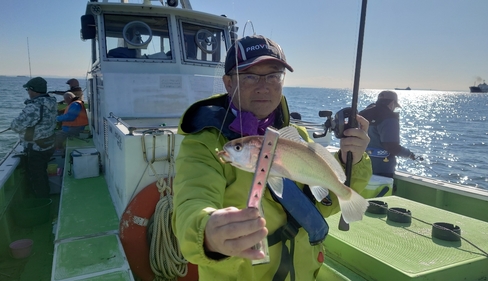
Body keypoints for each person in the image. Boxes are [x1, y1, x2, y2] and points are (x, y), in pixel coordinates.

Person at [172, 35, 372, 280]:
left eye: (273, 76)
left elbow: (322, 205)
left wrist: (353, 159)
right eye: (249, 76)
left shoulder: (295, 136)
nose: (263, 86)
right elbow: (191, 200)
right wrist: (206, 231)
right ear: (227, 83)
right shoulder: (203, 144)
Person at [10, 77, 57, 198]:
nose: (28, 92)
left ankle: (41, 200)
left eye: (28, 89)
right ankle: (44, 196)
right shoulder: (51, 102)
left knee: (36, 177)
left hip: (36, 148)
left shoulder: (34, 107)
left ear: (34, 90)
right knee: (41, 173)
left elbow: (16, 126)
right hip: (48, 144)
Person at [359, 90, 417, 178]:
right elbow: (392, 147)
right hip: (382, 170)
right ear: (392, 103)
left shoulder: (365, 114)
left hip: (361, 166)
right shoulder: (389, 118)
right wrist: (409, 154)